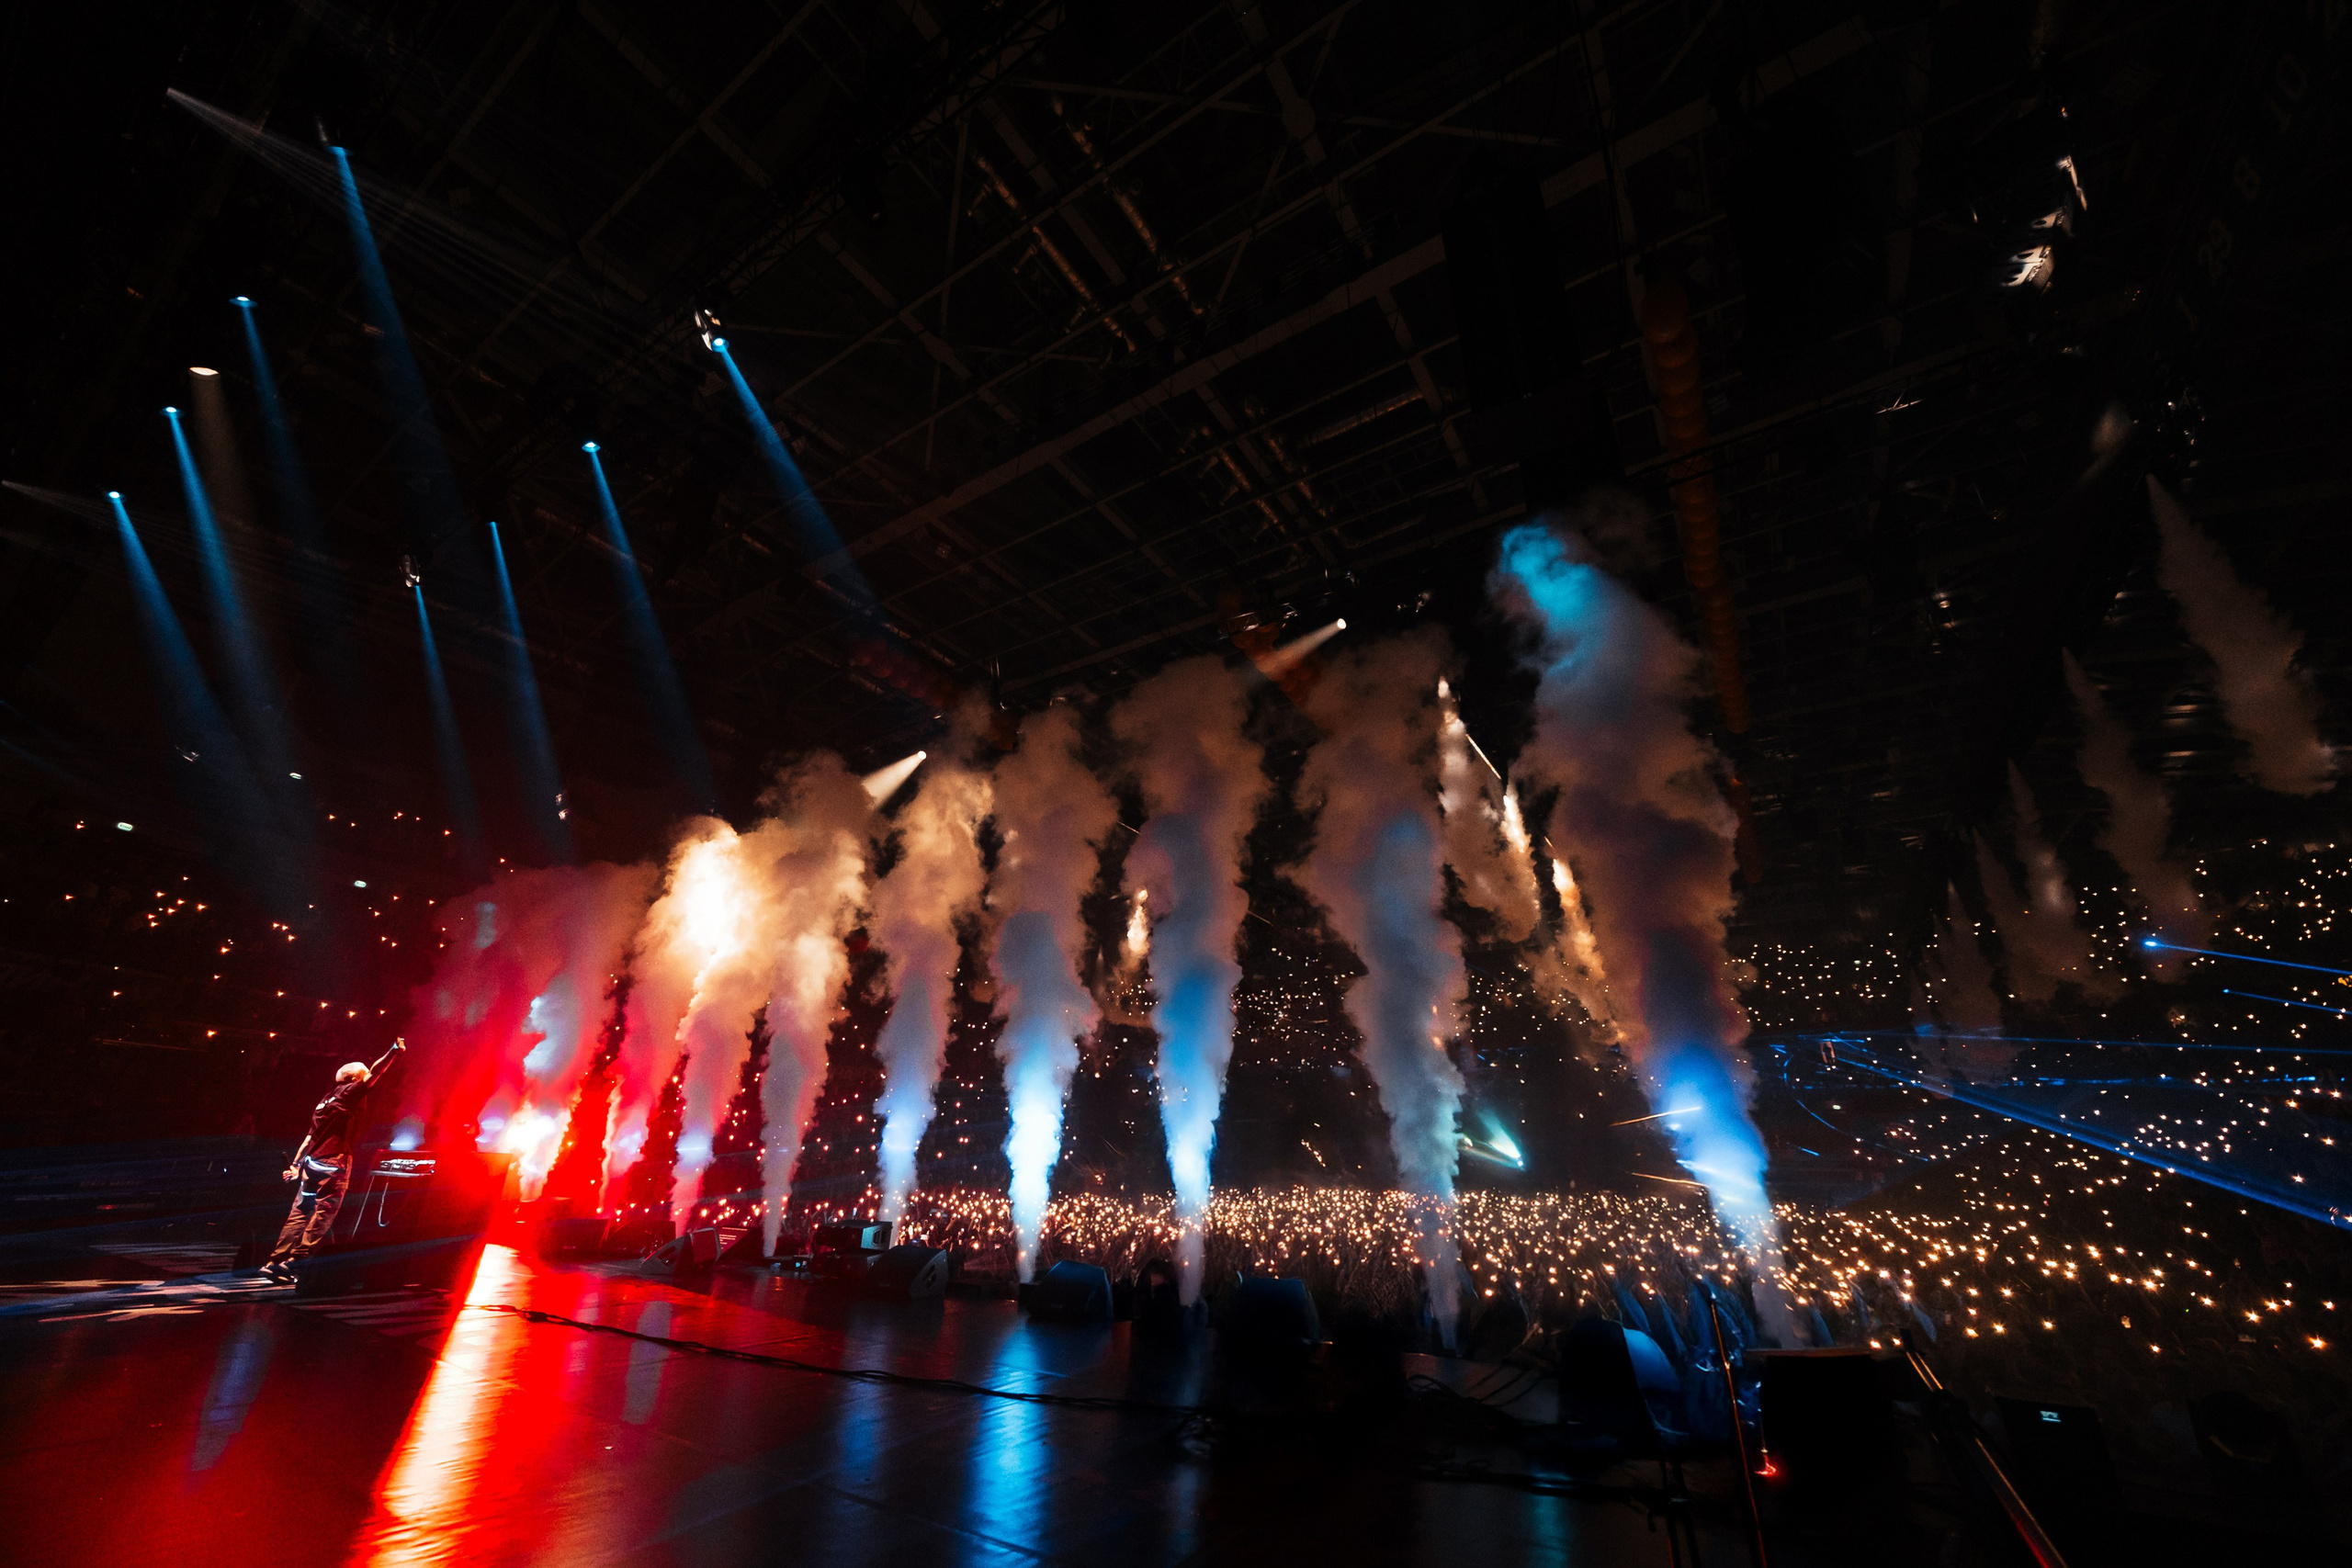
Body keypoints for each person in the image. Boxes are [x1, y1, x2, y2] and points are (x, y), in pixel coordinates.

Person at [260, 1038, 405, 1283]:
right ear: (352, 1079)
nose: (367, 1075)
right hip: (333, 1163)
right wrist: (393, 1051)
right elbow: (377, 1073)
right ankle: (296, 1261)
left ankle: (274, 1261)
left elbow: (309, 1138)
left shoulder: (323, 1102)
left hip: (311, 1164)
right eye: (363, 1073)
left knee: (300, 1212)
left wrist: (296, 1166)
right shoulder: (349, 1092)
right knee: (324, 1211)